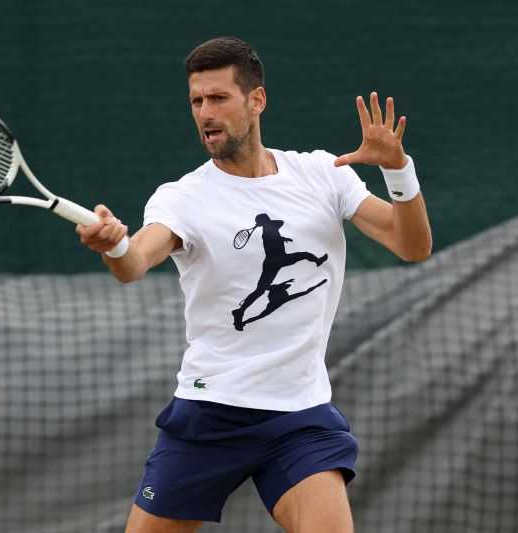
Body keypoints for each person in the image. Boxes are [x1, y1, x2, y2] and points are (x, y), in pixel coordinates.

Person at [76, 36, 432, 533]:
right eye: (197, 101)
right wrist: (114, 244)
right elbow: (135, 262)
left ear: (256, 100)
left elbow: (412, 245)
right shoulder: (184, 197)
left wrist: (398, 170)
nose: (205, 113)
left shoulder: (323, 176)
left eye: (219, 98)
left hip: (299, 417)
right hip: (211, 413)